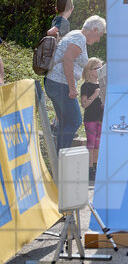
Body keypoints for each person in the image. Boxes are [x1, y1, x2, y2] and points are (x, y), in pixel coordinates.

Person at [45, 15, 106, 151]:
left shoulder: (75, 34)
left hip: (54, 82)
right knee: (75, 120)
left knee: (65, 121)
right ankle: (62, 155)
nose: (98, 40)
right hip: (61, 84)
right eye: (99, 35)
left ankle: (59, 155)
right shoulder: (79, 38)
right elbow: (68, 60)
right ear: (94, 29)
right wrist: (72, 88)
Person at [80, 57, 105, 181]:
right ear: (90, 71)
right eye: (98, 68)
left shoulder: (102, 84)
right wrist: (95, 95)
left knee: (98, 145)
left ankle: (95, 168)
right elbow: (84, 104)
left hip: (101, 118)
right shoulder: (86, 86)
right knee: (91, 144)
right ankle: (90, 169)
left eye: (102, 68)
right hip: (90, 118)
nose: (101, 71)